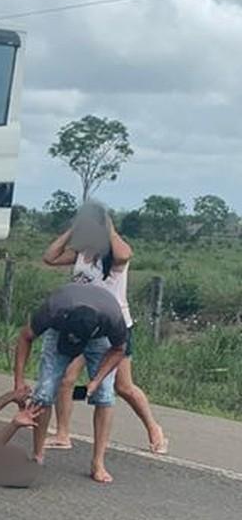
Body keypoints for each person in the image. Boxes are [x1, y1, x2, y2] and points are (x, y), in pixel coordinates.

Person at [42, 204, 167, 454]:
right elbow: (50, 257)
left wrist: (107, 225)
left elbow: (124, 255)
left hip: (113, 328)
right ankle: (62, 434)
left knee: (123, 387)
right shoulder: (81, 253)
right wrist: (72, 230)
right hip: (83, 325)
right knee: (66, 378)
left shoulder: (113, 253)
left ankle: (154, 428)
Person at [13, 281, 128, 483]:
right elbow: (25, 336)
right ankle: (37, 455)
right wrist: (19, 382)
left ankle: (98, 463)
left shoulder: (112, 318)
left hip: (99, 338)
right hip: (60, 330)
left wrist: (96, 380)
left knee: (105, 395)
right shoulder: (54, 310)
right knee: (44, 391)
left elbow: (119, 350)